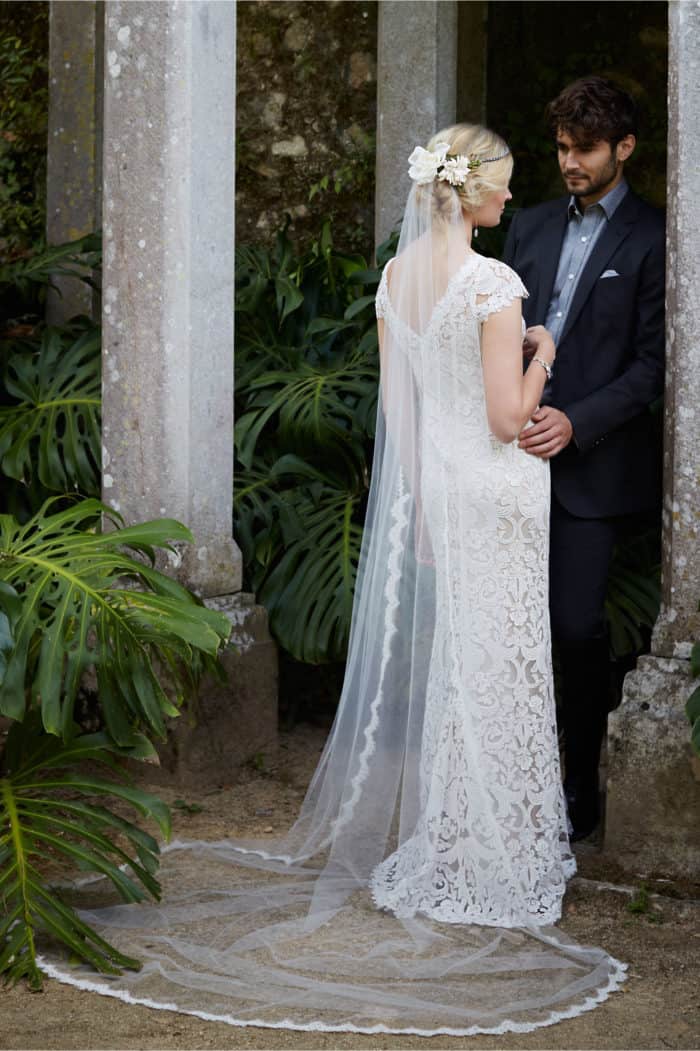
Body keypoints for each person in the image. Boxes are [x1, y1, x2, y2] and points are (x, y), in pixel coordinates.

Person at [39, 125, 627, 1035]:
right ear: (468, 195)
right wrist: (544, 348)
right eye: (502, 188)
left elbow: (401, 408)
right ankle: (496, 857)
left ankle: (466, 847)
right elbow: (511, 418)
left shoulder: (397, 281)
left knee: (462, 672)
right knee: (501, 666)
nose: (511, 202)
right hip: (499, 498)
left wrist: (423, 505)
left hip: (442, 492)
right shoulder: (496, 285)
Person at [503, 77, 665, 841]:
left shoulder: (658, 236)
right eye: (562, 147)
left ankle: (578, 791)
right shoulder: (527, 227)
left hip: (590, 471)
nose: (569, 162)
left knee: (573, 627)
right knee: (505, 629)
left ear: (623, 149)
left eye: (586, 149)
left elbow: (651, 367)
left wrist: (575, 422)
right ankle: (511, 781)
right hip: (505, 456)